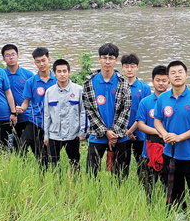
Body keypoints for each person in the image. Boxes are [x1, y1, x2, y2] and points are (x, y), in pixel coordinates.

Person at [154, 61, 190, 214]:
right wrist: (164, 134)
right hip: (169, 154)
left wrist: (179, 137)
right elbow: (157, 120)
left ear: (186, 75)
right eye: (173, 72)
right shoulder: (163, 98)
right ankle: (179, 220)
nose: (177, 75)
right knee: (174, 192)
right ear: (168, 77)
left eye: (180, 72)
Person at [83, 43, 132, 177]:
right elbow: (89, 111)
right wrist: (106, 132)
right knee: (91, 175)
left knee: (120, 176)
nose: (107, 61)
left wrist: (113, 133)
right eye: (104, 57)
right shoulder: (89, 82)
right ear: (99, 59)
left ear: (116, 60)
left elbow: (125, 110)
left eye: (111, 58)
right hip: (97, 135)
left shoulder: (123, 83)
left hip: (119, 136)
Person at [44, 59, 87, 170]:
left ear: (69, 73)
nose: (62, 74)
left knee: (74, 163)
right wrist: (46, 135)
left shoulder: (79, 90)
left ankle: (75, 180)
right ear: (54, 74)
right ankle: (56, 181)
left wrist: (82, 132)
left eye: (64, 71)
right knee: (53, 164)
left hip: (72, 134)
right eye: (59, 71)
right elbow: (47, 115)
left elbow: (84, 112)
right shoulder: (49, 92)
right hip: (54, 134)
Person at [135, 65, 170, 196]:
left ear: (169, 81)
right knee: (147, 188)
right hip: (148, 151)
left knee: (170, 188)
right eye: (158, 80)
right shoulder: (145, 102)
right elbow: (141, 125)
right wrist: (159, 132)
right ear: (152, 81)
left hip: (168, 150)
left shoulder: (173, 101)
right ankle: (147, 206)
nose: (161, 83)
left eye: (164, 80)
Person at [19, 47, 55, 163]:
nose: (41, 64)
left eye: (43, 60)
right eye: (38, 61)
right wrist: (21, 109)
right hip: (35, 121)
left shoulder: (57, 80)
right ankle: (22, 167)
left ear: (49, 59)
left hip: (54, 122)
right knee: (22, 144)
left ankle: (47, 170)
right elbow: (26, 103)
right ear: (35, 63)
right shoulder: (31, 82)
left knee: (47, 154)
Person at [122, 54, 152, 185]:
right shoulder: (117, 86)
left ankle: (144, 189)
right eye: (126, 66)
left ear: (137, 68)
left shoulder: (144, 88)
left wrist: (131, 131)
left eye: (132, 66)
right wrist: (125, 131)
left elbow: (144, 113)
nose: (129, 69)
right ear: (122, 68)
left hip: (140, 133)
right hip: (121, 132)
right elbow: (114, 111)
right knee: (122, 165)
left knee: (142, 165)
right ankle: (121, 189)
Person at [1, 44, 34, 150]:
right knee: (14, 147)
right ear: (3, 59)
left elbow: (35, 95)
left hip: (28, 116)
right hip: (9, 117)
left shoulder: (28, 74)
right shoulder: (1, 75)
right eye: (7, 55)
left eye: (13, 54)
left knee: (33, 144)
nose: (11, 57)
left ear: (18, 56)